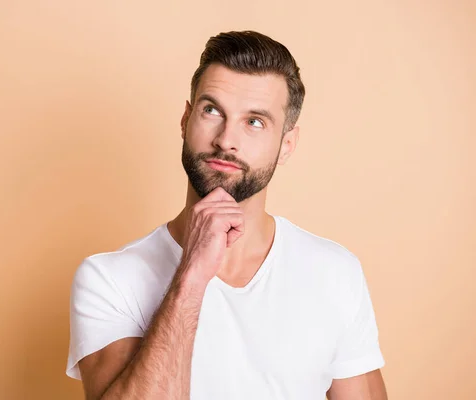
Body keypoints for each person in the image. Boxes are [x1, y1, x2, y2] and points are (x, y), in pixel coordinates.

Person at [65, 30, 387, 399]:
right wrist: (192, 274)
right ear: (186, 120)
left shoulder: (334, 271)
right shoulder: (109, 279)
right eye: (212, 110)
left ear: (286, 145)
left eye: (254, 122)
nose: (225, 139)